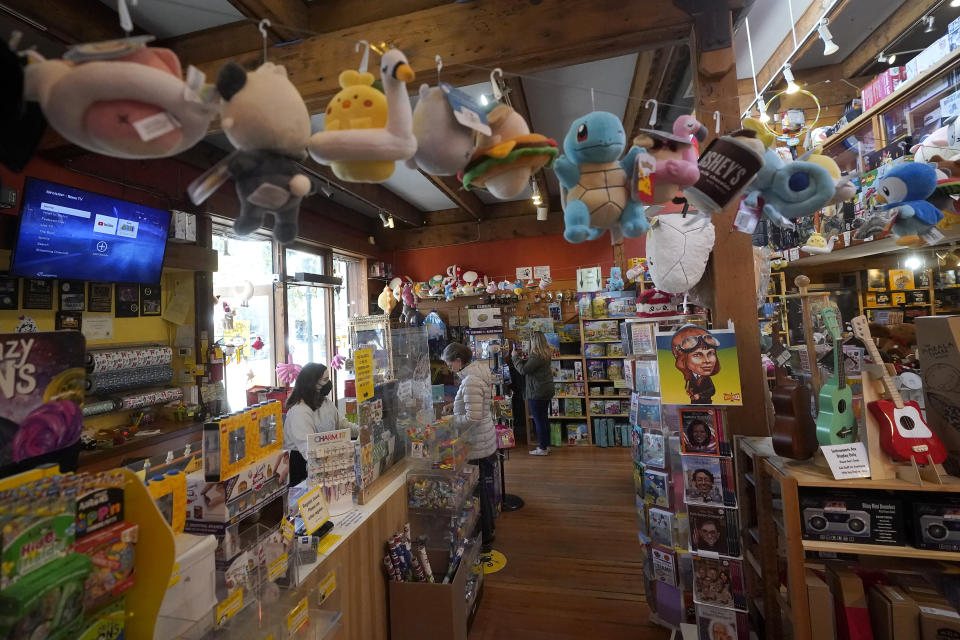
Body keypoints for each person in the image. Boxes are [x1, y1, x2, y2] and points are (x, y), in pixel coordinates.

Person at [443, 342, 498, 552]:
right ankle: (488, 530)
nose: (449, 367)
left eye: (449, 363)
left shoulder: (471, 380)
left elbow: (472, 417)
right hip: (483, 439)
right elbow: (473, 407)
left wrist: (450, 419)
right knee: (482, 487)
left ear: (458, 360)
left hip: (477, 443)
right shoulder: (474, 375)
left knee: (478, 490)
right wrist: (454, 407)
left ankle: (484, 537)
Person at [283, 362, 358, 486]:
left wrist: (364, 430)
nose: (329, 384)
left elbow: (343, 425)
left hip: (327, 462)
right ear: (311, 383)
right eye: (325, 380)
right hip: (304, 469)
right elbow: (309, 451)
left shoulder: (325, 402)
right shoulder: (299, 411)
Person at [510, 331, 555, 456]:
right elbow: (531, 367)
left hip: (537, 391)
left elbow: (523, 370)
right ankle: (546, 445)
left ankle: (542, 448)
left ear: (533, 342)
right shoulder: (544, 353)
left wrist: (514, 357)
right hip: (546, 389)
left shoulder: (536, 356)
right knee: (543, 419)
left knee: (539, 420)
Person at [671, 325, 720, 404]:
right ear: (683, 359)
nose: (707, 360)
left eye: (710, 353)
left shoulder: (706, 378)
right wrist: (690, 392)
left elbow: (712, 390)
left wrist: (699, 395)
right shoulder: (691, 377)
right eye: (697, 355)